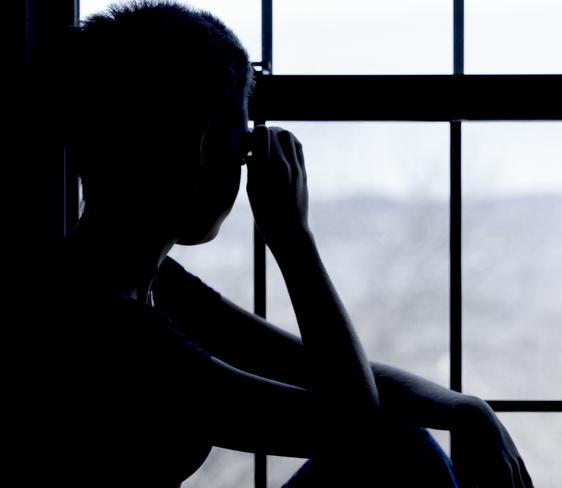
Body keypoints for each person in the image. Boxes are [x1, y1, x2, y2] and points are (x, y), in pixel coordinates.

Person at [44, 1, 533, 486]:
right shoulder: (113, 327)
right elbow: (354, 427)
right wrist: (294, 239)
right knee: (398, 449)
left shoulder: (135, 279)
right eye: (241, 148)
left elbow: (302, 364)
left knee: (404, 443)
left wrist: (465, 409)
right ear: (205, 149)